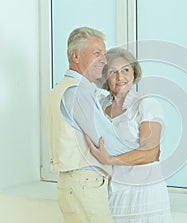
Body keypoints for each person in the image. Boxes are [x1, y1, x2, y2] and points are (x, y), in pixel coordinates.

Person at [46, 27, 159, 223]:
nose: (104, 61)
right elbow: (105, 142)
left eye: (104, 54)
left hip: (77, 184)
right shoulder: (78, 92)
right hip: (84, 183)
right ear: (76, 56)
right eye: (97, 53)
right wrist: (146, 153)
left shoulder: (63, 88)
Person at [86, 47, 173, 222]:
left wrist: (109, 160)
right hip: (114, 190)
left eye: (125, 70)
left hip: (144, 193)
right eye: (113, 72)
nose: (120, 77)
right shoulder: (101, 106)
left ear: (134, 73)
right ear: (105, 77)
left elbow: (151, 152)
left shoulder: (146, 104)